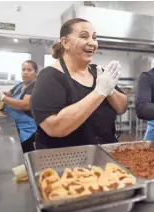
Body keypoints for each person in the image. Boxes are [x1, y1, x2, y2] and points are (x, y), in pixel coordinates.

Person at [30, 18, 128, 149]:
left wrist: (110, 92)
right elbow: (54, 127)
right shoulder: (50, 77)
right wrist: (99, 92)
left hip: (105, 154)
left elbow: (122, 108)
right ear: (65, 42)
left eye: (94, 37)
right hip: (66, 162)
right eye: (84, 36)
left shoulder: (98, 72)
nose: (92, 43)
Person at [0, 60, 38, 153]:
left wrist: (2, 98)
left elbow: (25, 105)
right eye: (23, 69)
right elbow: (8, 94)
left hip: (26, 128)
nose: (25, 72)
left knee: (24, 154)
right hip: (15, 124)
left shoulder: (34, 85)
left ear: (35, 72)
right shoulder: (21, 84)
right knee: (15, 151)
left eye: (29, 70)